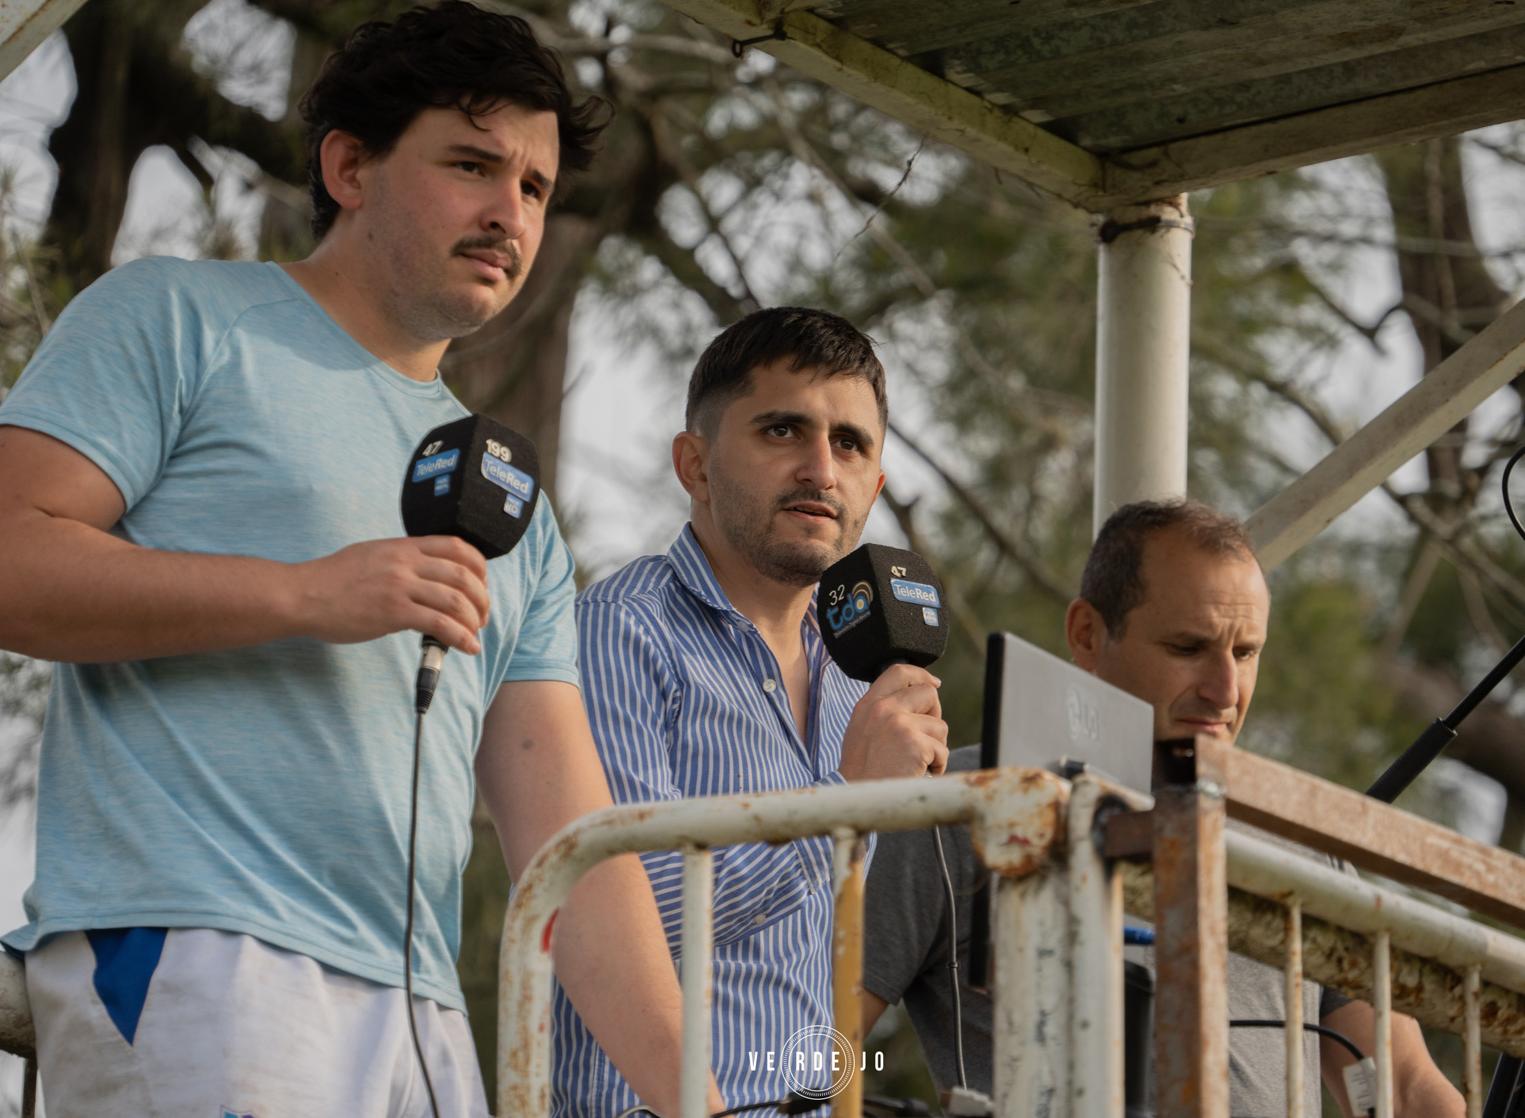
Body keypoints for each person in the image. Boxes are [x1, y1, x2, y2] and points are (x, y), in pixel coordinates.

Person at [0, 1, 710, 1118]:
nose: (510, 213)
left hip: (423, 1018)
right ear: (350, 166)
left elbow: (572, 851)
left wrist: (703, 1101)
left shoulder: (514, 506)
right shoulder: (175, 317)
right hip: (205, 954)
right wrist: (307, 593)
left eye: (535, 188)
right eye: (473, 166)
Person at [861, 499, 1465, 1118]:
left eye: (1246, 652)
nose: (1226, 691)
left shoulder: (1301, 844)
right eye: (1188, 646)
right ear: (1087, 634)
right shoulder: (962, 802)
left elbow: (1410, 1088)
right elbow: (819, 1047)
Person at [553, 308, 949, 1117]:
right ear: (693, 465)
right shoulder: (616, 633)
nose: (819, 469)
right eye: (781, 431)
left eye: (850, 444)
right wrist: (844, 806)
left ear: (874, 487)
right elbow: (619, 921)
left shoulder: (862, 675)